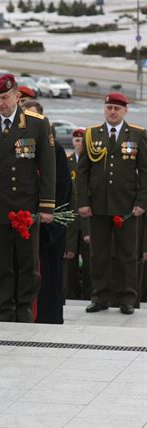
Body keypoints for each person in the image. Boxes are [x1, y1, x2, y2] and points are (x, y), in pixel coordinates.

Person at [0, 73, 56, 323]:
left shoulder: (37, 124)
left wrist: (47, 205)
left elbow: (47, 167)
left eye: (5, 97)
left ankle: (24, 307)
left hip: (25, 205)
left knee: (28, 261)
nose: (0, 103)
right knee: (1, 262)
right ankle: (5, 307)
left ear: (17, 96)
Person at [76, 92, 147, 315]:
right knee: (99, 254)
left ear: (125, 111)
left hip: (127, 206)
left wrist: (141, 201)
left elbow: (144, 171)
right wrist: (83, 202)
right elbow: (82, 172)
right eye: (109, 108)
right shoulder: (91, 134)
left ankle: (127, 298)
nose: (113, 112)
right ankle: (100, 297)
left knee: (128, 254)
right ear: (104, 109)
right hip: (98, 205)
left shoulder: (137, 134)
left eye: (117, 108)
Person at [22, 99, 71, 324]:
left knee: (48, 276)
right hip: (23, 223)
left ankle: (48, 318)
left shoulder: (55, 149)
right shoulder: (19, 146)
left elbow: (62, 187)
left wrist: (45, 216)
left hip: (47, 226)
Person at [64, 128, 91, 299]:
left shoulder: (93, 161)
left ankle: (89, 294)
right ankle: (71, 294)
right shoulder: (67, 162)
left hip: (88, 218)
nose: (79, 143)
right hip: (72, 219)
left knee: (90, 261)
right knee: (70, 259)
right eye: (76, 140)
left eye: (81, 141)